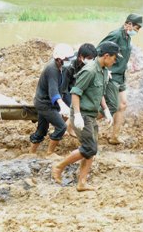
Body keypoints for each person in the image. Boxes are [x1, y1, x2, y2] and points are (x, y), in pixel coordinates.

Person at [52, 41, 119, 191]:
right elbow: (76, 92)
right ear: (106, 56)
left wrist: (106, 110)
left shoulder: (103, 71)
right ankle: (59, 166)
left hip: (91, 114)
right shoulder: (90, 70)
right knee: (89, 148)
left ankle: (82, 183)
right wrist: (77, 115)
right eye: (114, 58)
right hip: (82, 114)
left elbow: (99, 92)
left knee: (91, 149)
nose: (115, 62)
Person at [99, 13, 143, 144]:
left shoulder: (127, 36)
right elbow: (99, 51)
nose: (137, 31)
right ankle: (81, 121)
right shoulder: (116, 35)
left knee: (123, 105)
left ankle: (114, 137)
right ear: (128, 24)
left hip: (121, 75)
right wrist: (105, 70)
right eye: (137, 28)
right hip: (112, 75)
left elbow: (122, 53)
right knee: (112, 106)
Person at [29, 43, 74, 158]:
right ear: (59, 59)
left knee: (42, 129)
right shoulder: (52, 69)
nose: (69, 61)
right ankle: (50, 153)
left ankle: (31, 153)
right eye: (67, 59)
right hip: (44, 103)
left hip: (48, 102)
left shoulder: (62, 67)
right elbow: (53, 91)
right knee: (61, 127)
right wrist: (61, 104)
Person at [61, 43, 97, 137]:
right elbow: (63, 87)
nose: (91, 61)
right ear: (81, 57)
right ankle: (64, 129)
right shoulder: (69, 66)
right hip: (68, 89)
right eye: (89, 58)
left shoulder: (89, 64)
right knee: (74, 107)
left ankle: (68, 128)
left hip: (78, 88)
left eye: (92, 58)